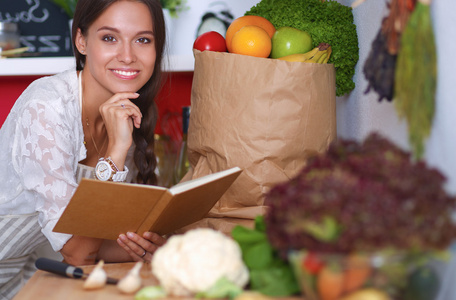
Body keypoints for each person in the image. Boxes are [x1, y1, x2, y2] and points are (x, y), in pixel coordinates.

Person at [0, 0, 168, 298]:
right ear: (81, 41)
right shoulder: (46, 107)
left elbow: (88, 242)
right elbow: (79, 253)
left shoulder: (125, 113)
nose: (127, 56)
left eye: (143, 40)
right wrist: (115, 153)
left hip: (33, 271)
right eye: (109, 38)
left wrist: (147, 247)